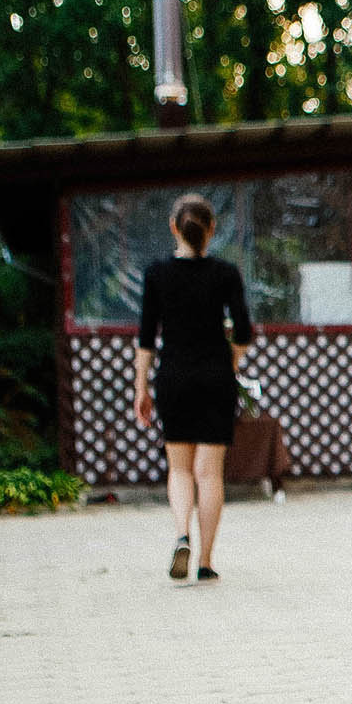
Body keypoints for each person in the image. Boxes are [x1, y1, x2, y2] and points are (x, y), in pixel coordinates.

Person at [133, 192, 253, 583]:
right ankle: (205, 562)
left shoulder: (156, 274)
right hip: (216, 379)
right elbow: (244, 332)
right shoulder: (225, 274)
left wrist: (141, 388)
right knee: (210, 474)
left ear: (174, 228)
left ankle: (181, 533)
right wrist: (230, 363)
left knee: (180, 469)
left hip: (175, 379)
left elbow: (147, 338)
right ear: (211, 230)